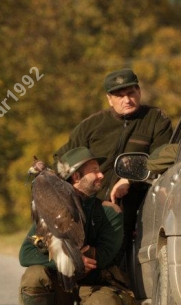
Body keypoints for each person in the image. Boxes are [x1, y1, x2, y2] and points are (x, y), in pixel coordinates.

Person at [20, 147, 137, 305]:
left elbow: (102, 256)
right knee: (33, 275)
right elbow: (25, 254)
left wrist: (64, 253)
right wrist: (66, 257)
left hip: (92, 292)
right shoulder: (51, 208)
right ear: (76, 176)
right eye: (95, 170)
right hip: (60, 295)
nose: (102, 175)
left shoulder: (109, 212)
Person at [55, 68, 173, 264]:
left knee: (122, 268)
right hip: (90, 209)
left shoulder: (156, 119)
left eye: (131, 93)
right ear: (109, 99)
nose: (126, 100)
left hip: (136, 210)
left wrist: (131, 179)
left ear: (139, 92)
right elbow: (62, 161)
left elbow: (165, 156)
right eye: (119, 95)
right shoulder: (91, 125)